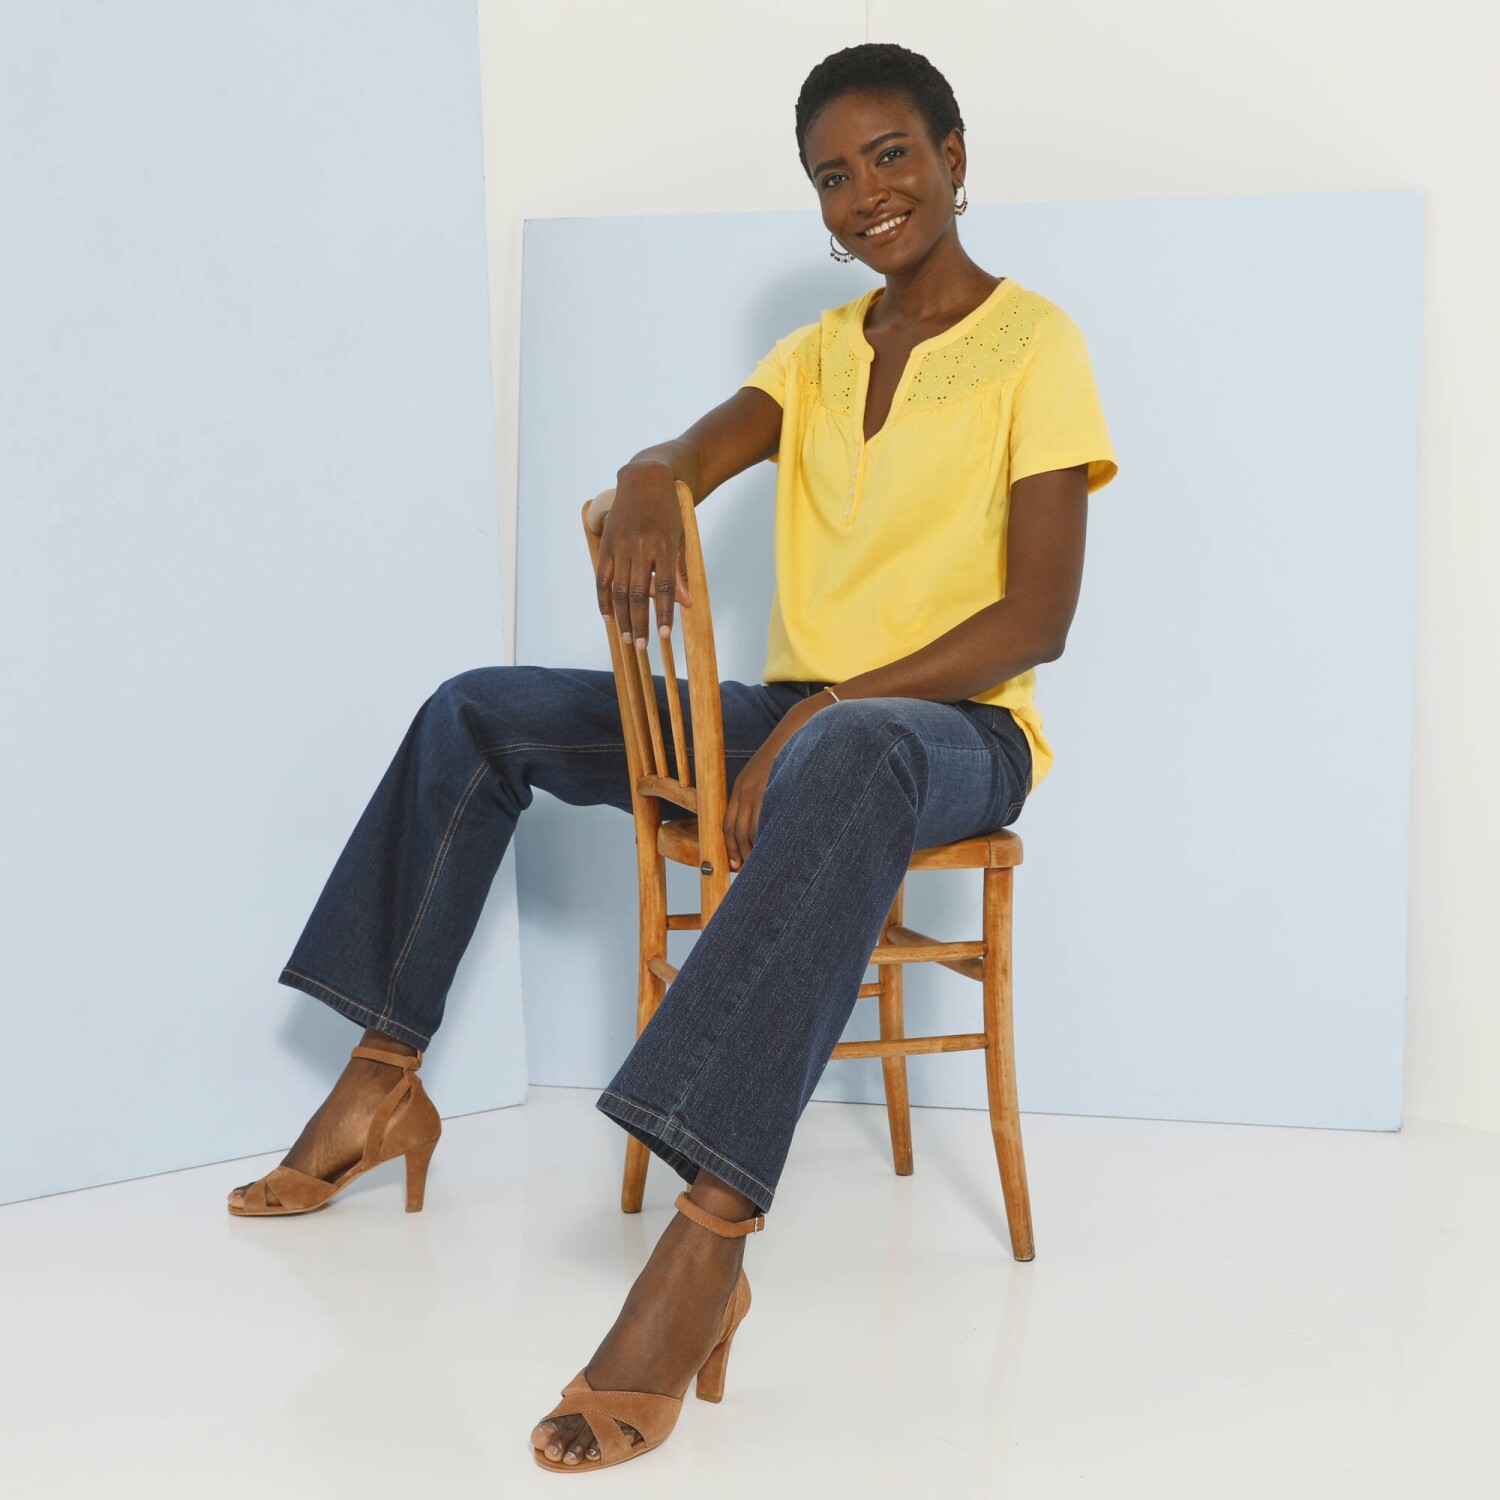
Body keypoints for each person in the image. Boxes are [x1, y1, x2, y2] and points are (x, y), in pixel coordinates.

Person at [227, 40, 1118, 1474]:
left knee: (853, 750)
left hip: (956, 732)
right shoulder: (816, 355)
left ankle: (708, 1246)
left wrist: (830, 715)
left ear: (956, 157)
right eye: (833, 176)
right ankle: (384, 1075)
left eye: (893, 154)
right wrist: (653, 472)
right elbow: (693, 456)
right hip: (805, 714)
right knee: (477, 709)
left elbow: (1040, 618)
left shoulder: (1038, 343)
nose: (867, 193)